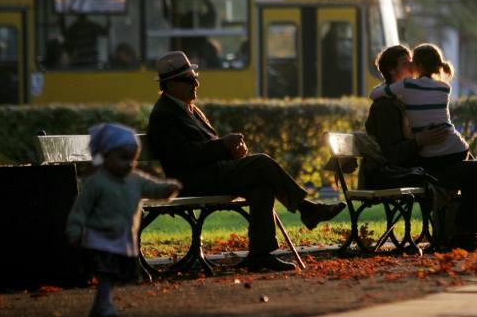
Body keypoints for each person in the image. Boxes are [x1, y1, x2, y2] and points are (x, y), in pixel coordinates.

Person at [147, 51, 346, 272]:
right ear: (170, 84)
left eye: (195, 77)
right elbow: (182, 156)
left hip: (211, 174)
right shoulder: (164, 114)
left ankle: (261, 255)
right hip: (191, 181)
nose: (196, 83)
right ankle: (307, 209)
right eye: (188, 79)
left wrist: (232, 152)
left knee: (261, 187)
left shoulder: (190, 110)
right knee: (261, 163)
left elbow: (206, 149)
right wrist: (224, 145)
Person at [368, 44, 477, 252]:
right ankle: (463, 235)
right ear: (392, 70)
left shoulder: (410, 94)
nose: (412, 64)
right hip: (417, 169)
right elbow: (393, 155)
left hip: (436, 161)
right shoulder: (386, 106)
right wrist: (420, 141)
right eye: (406, 61)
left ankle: (476, 234)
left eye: (413, 60)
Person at [66, 123, 182, 317]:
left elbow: (152, 188)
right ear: (106, 154)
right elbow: (81, 209)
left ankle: (101, 304)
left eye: (133, 159)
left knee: (111, 275)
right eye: (123, 158)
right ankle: (104, 306)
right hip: (99, 237)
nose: (129, 164)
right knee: (106, 273)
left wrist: (167, 189)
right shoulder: (97, 182)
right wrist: (75, 229)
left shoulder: (134, 180)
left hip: (122, 237)